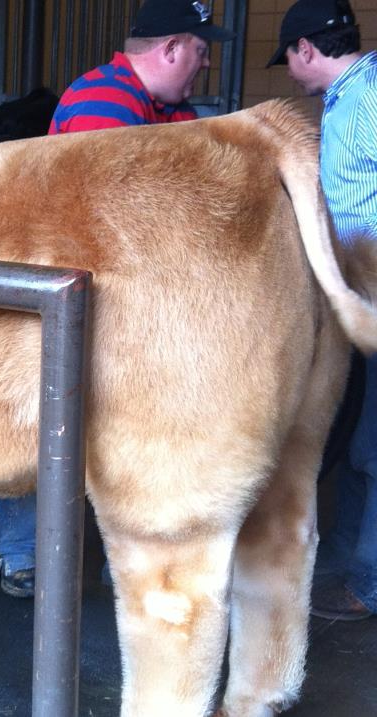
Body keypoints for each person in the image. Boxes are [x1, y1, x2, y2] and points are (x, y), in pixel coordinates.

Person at [0, 0, 234, 598]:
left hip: (115, 301)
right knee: (56, 420)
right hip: (81, 297)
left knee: (92, 426)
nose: (203, 65)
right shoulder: (107, 105)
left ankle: (99, 554)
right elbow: (119, 229)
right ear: (172, 48)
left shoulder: (162, 109)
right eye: (200, 52)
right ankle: (20, 552)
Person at [268, 0, 377, 621]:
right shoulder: (347, 101)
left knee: (373, 446)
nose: (287, 72)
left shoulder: (368, 99)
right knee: (360, 433)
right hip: (361, 295)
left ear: (307, 49)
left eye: (287, 57)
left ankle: (367, 582)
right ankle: (345, 556)